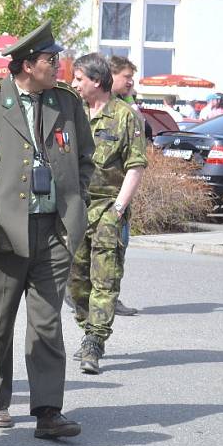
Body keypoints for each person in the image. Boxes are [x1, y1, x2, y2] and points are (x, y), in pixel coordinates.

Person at [0, 20, 93, 437]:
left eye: (56, 58)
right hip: (3, 231)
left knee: (47, 322)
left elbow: (84, 160)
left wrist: (78, 208)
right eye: (49, 59)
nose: (57, 65)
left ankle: (47, 411)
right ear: (25, 65)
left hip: (54, 230)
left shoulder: (66, 103)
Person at [69, 53, 147, 374]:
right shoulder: (72, 114)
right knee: (74, 282)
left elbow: (136, 166)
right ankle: (88, 326)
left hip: (106, 210)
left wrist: (118, 208)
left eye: (78, 79)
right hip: (74, 211)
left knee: (105, 279)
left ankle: (94, 341)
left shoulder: (125, 117)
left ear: (96, 82)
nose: (74, 84)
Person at [105, 55, 142, 316]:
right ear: (111, 75)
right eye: (126, 77)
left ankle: (111, 297)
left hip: (121, 194)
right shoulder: (99, 107)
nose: (130, 82)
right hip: (102, 196)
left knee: (120, 248)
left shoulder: (126, 107)